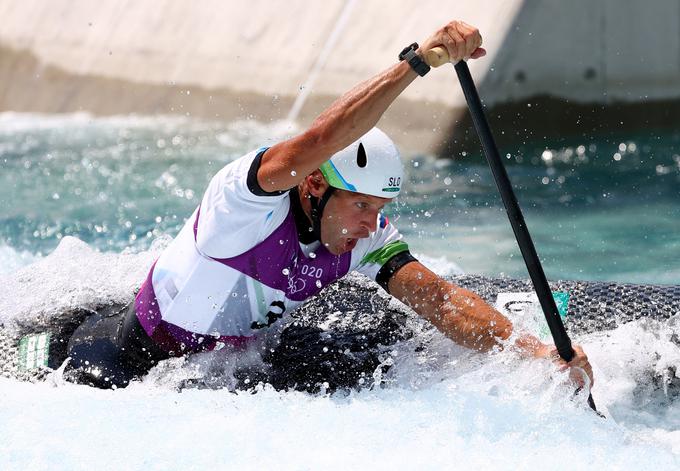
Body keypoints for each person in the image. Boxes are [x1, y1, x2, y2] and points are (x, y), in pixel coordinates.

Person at [66, 20, 593, 390]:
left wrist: (539, 356)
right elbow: (321, 137)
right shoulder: (245, 204)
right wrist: (418, 63)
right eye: (362, 205)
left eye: (380, 207)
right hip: (131, 362)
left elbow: (437, 299)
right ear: (315, 186)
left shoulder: (368, 235)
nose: (373, 224)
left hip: (233, 369)